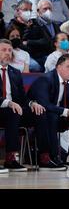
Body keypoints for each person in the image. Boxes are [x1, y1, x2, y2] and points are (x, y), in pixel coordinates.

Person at [28, 54, 69, 170]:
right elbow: (45, 105)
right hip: (38, 114)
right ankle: (53, 157)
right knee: (52, 116)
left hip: (56, 114)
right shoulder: (46, 79)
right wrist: (67, 111)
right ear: (58, 67)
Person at [0, 39, 28, 172]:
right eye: (3, 50)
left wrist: (32, 103)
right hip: (3, 108)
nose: (7, 53)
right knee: (13, 112)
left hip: (14, 111)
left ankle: (46, 157)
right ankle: (10, 157)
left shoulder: (15, 72)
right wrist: (9, 103)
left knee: (43, 113)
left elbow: (22, 96)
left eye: (9, 50)